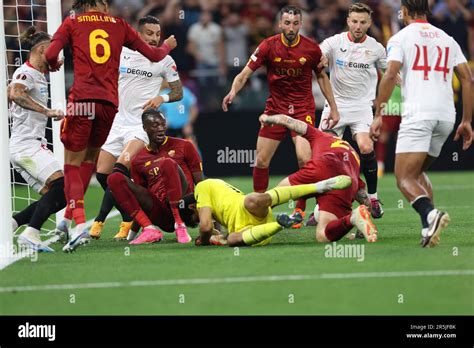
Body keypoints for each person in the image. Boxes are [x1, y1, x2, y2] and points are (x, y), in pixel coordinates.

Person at [45, 0, 177, 253]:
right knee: (94, 166)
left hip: (84, 102)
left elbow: (52, 54)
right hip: (109, 107)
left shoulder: (72, 22)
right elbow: (154, 54)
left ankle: (82, 221)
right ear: (103, 4)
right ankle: (68, 219)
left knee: (73, 163)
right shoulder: (120, 26)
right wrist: (168, 46)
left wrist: (53, 66)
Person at [222, 5, 339, 228]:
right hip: (275, 110)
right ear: (280, 24)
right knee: (261, 160)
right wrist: (233, 91)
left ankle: (298, 212)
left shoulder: (311, 49)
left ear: (301, 24)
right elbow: (245, 72)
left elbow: (322, 77)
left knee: (305, 160)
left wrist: (333, 107)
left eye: (295, 23)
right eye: (287, 23)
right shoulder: (268, 46)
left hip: (303, 110)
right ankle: (257, 209)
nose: (291, 27)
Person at [370, 0, 472, 248]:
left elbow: (391, 73)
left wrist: (378, 113)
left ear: (403, 11)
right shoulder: (446, 37)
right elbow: (467, 79)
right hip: (446, 116)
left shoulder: (400, 38)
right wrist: (467, 120)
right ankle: (428, 229)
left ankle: (431, 214)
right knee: (416, 173)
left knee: (403, 178)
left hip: (418, 114)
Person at [260, 114, 377, 243]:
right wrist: (361, 233)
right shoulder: (353, 153)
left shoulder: (320, 135)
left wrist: (269, 119)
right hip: (346, 182)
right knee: (323, 236)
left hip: (321, 167)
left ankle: (249, 221)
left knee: (272, 197)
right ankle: (353, 218)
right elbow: (365, 199)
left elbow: (288, 121)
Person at [319, 2, 387, 219]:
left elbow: (391, 74)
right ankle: (320, 209)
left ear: (369, 23)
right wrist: (319, 58)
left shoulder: (376, 48)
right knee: (324, 157)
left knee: (366, 147)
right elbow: (317, 53)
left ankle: (373, 198)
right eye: (355, 21)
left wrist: (408, 86)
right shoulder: (334, 42)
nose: (358, 26)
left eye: (363, 22)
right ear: (348, 21)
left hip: (362, 107)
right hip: (335, 105)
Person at [108, 109, 203, 244]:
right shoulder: (138, 159)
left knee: (167, 163)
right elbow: (141, 198)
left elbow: (202, 184)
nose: (160, 129)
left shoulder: (185, 145)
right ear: (144, 128)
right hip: (162, 215)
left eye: (162, 125)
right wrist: (132, 234)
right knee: (114, 178)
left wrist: (212, 223)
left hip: (185, 207)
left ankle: (179, 225)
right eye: (155, 125)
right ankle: (149, 229)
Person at [9, 27, 65, 252]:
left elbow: (10, 92)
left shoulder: (38, 74)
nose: (56, 56)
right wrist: (47, 111)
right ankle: (31, 234)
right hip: (26, 146)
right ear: (42, 50)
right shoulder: (27, 73)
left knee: (58, 196)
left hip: (30, 145)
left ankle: (11, 224)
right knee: (62, 187)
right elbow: (16, 93)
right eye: (53, 52)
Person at [191, 175, 353, 247]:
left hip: (249, 213)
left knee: (251, 200)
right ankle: (283, 223)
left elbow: (205, 227)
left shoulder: (201, 187)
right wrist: (221, 237)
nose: (200, 217)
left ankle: (320, 186)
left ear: (193, 207)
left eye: (195, 217)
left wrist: (204, 240)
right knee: (232, 239)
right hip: (257, 231)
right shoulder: (214, 189)